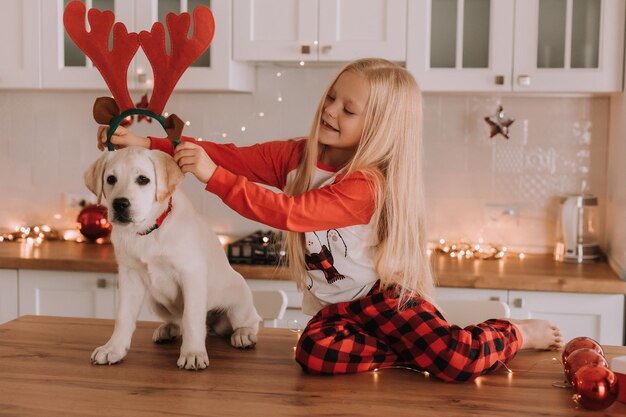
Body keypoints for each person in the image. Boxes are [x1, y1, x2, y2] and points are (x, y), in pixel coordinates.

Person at [97, 58, 563, 382]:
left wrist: (214, 178)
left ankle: (517, 333)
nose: (331, 109)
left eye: (348, 108)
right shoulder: (300, 155)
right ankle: (410, 350)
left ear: (378, 124)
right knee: (313, 355)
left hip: (383, 299)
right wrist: (143, 144)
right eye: (332, 97)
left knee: (458, 361)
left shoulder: (365, 184)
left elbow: (291, 214)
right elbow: (233, 156)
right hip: (336, 309)